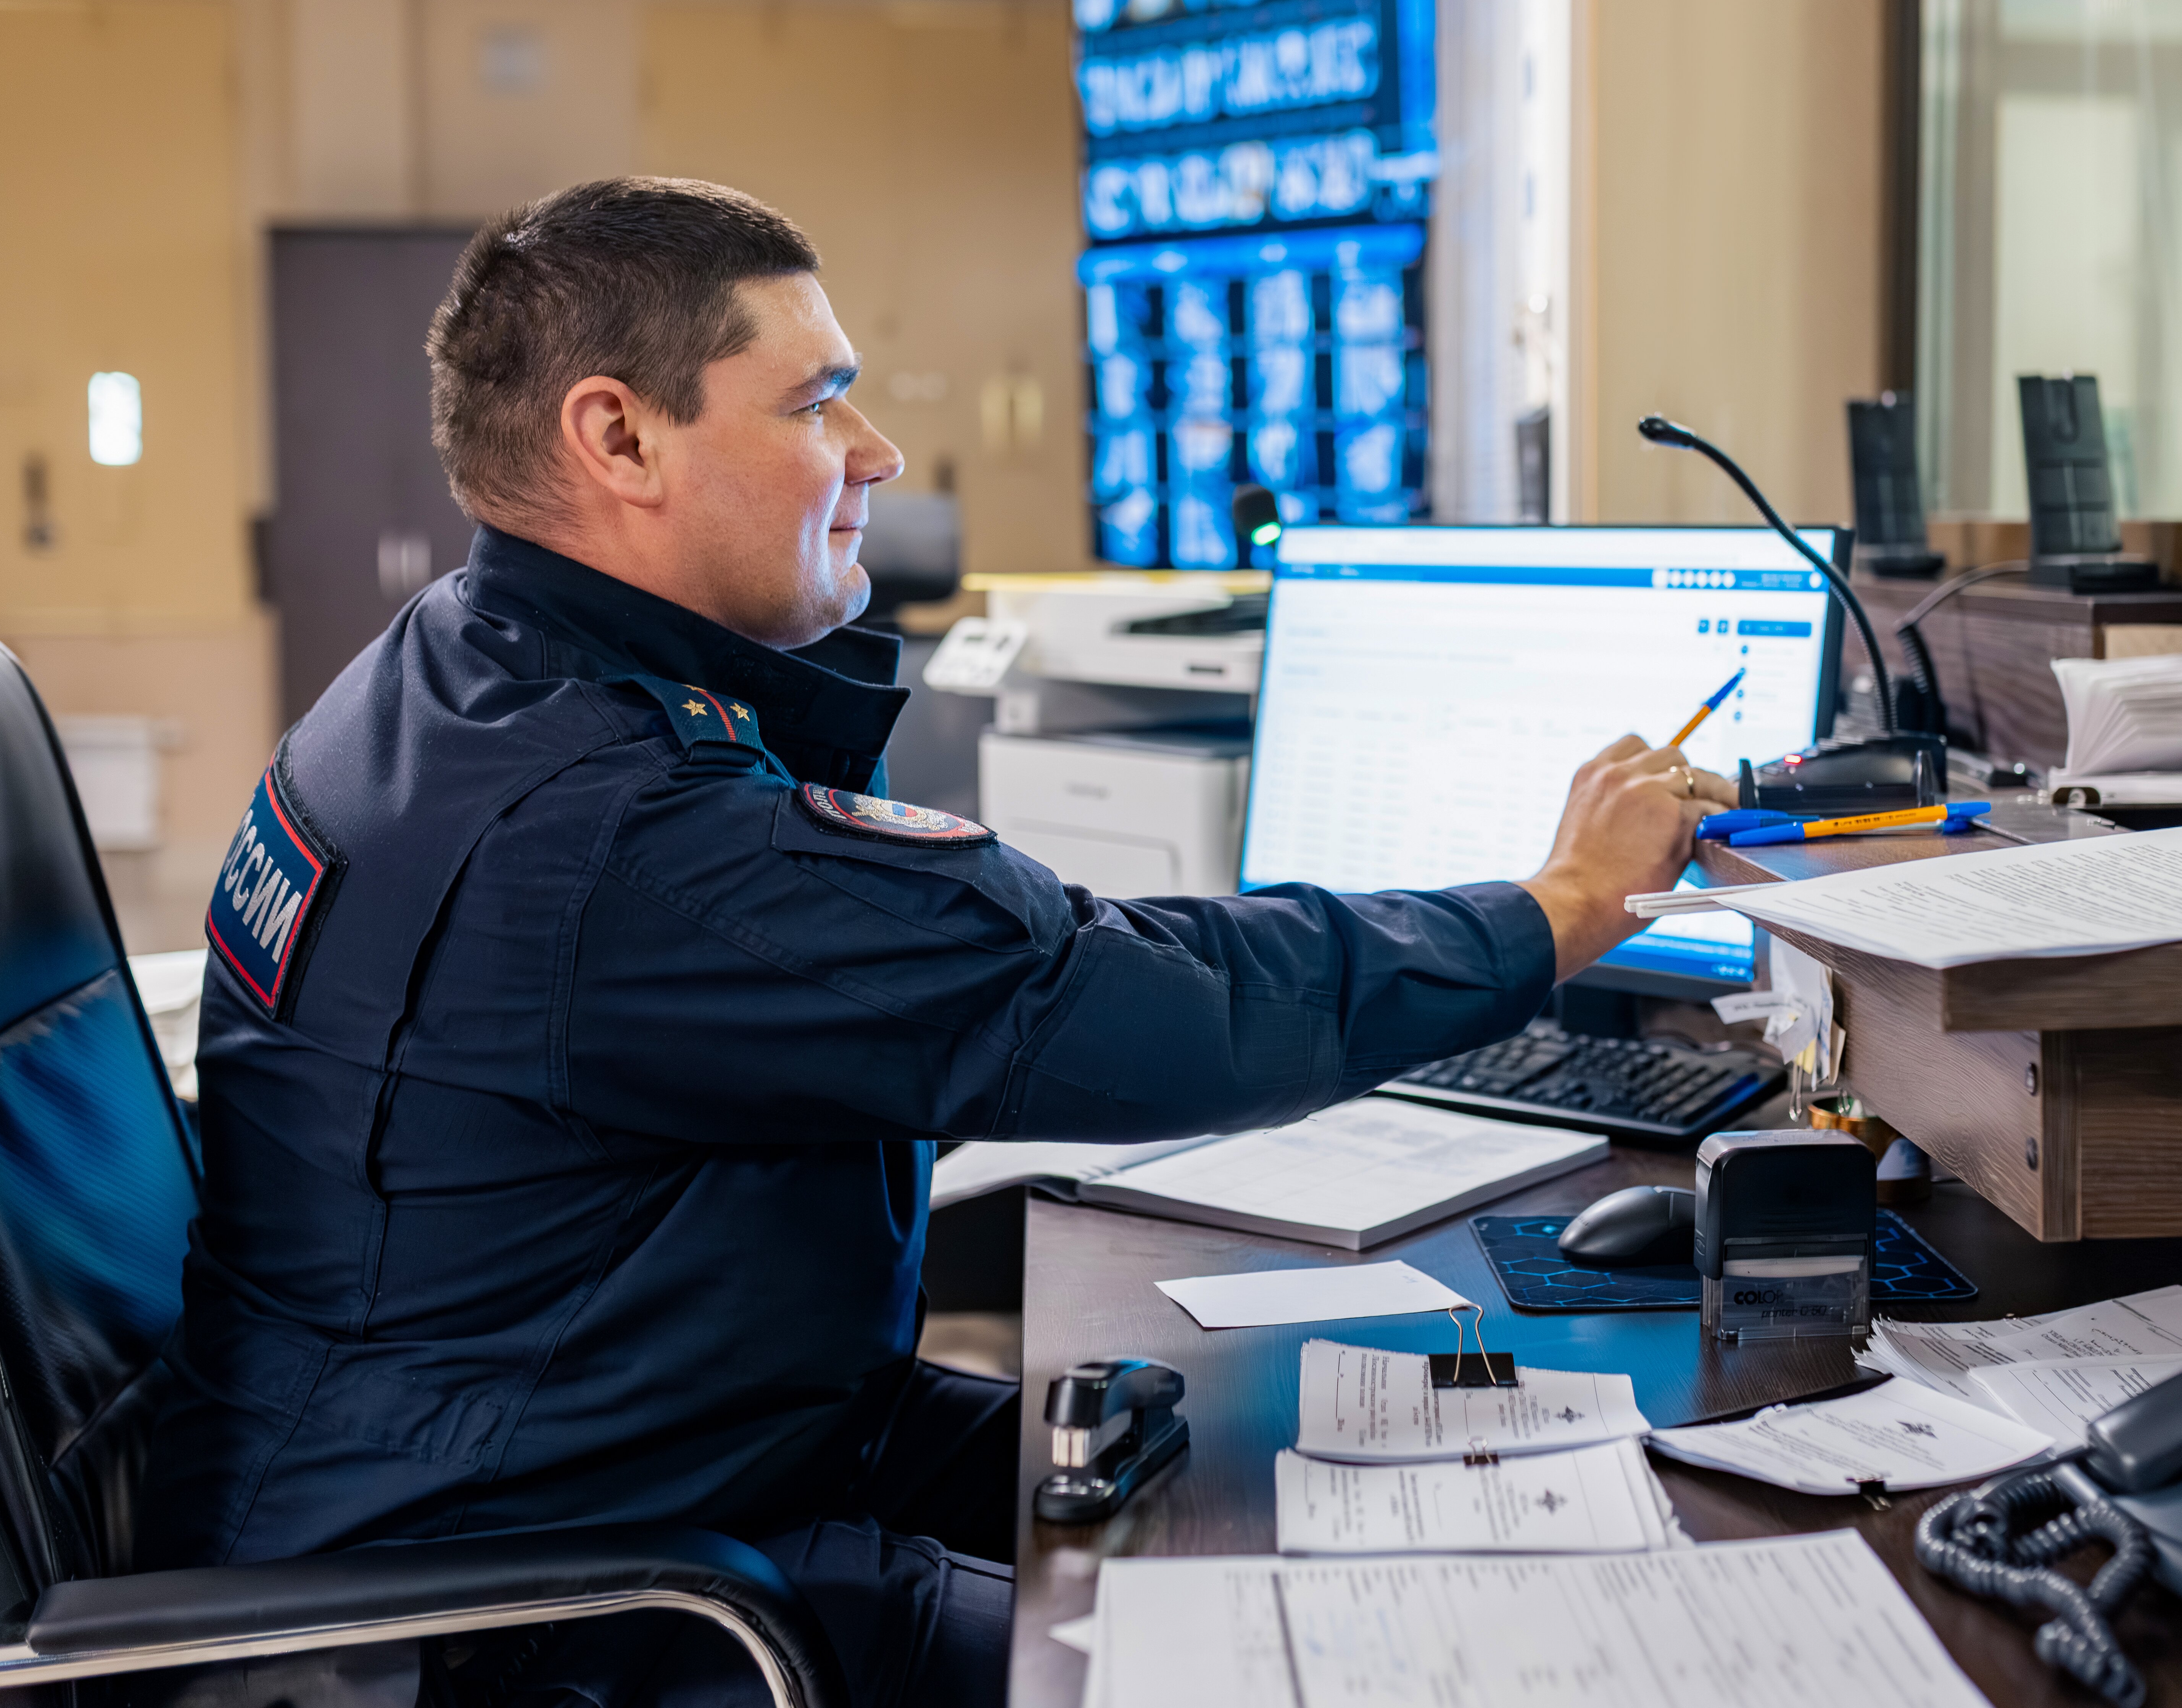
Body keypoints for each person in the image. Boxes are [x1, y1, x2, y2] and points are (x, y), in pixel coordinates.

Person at [146, 177, 1736, 1708]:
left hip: (570, 1465)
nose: (877, 452)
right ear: (619, 436)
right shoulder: (614, 829)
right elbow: (1134, 1007)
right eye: (815, 403)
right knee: (1296, 1643)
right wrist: (1559, 908)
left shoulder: (444, 673)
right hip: (530, 1613)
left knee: (1252, 1462)